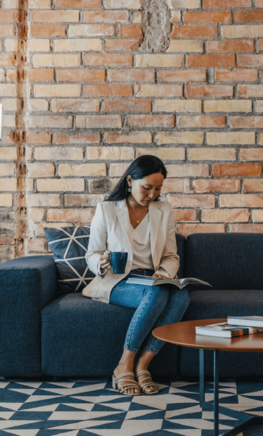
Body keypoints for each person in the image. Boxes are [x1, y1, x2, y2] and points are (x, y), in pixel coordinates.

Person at [83, 155, 189, 396]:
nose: (152, 194)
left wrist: (163, 273)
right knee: (157, 291)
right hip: (117, 280)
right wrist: (100, 262)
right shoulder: (107, 210)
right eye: (147, 187)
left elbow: (171, 256)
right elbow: (92, 253)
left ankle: (143, 364)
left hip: (152, 278)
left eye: (158, 189)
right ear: (130, 181)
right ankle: (124, 365)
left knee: (182, 296)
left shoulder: (164, 210)